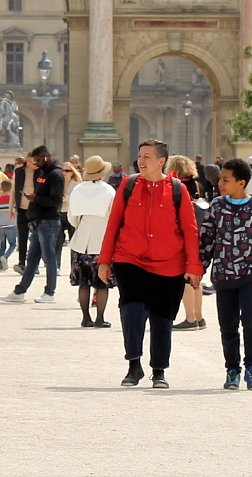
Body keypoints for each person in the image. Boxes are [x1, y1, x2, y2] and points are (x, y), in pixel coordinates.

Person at [97, 139, 201, 389]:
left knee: (162, 317)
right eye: (139, 156)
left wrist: (194, 267)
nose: (141, 161)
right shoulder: (128, 185)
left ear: (161, 161)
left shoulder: (178, 189)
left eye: (147, 157)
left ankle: (159, 370)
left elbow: (190, 230)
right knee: (131, 311)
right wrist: (104, 260)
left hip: (169, 264)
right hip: (130, 259)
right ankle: (134, 364)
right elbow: (114, 224)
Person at [199, 158, 252, 389]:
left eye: (226, 180)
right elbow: (206, 240)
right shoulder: (216, 207)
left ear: (241, 182)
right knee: (228, 324)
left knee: (251, 319)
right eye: (220, 179)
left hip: (251, 273)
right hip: (223, 274)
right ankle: (232, 369)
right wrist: (199, 268)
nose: (220, 184)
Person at [6, 145, 64, 303]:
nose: (36, 164)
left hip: (49, 220)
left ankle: (50, 292)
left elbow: (56, 201)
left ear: (45, 156)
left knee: (49, 257)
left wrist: (35, 199)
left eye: (37, 160)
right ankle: (20, 291)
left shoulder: (55, 174)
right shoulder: (44, 173)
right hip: (38, 220)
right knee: (32, 258)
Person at [68, 155, 116, 328]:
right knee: (102, 283)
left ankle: (85, 317)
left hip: (81, 241)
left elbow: (72, 218)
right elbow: (113, 217)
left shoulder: (78, 189)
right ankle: (100, 318)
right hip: (102, 241)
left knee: (83, 282)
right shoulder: (109, 191)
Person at [168, 155, 207, 330]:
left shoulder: (175, 186)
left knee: (185, 278)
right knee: (196, 277)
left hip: (183, 234)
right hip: (199, 234)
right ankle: (199, 317)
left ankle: (190, 319)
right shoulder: (197, 185)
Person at [0, 176, 16, 271]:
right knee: (13, 244)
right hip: (11, 224)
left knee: (2, 245)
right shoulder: (13, 199)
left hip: (2, 225)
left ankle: (0, 266)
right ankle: (5, 257)